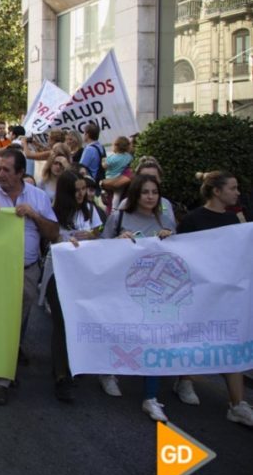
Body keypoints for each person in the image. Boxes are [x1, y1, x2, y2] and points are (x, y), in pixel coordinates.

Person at [0, 148, 59, 406]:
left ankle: (6, 363)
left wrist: (34, 214)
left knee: (17, 321)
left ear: (21, 173)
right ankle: (1, 377)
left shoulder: (38, 197)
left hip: (26, 271)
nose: (0, 174)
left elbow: (53, 232)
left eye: (6, 170)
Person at [176, 170, 253, 427]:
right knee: (194, 337)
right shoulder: (193, 220)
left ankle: (237, 404)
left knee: (232, 342)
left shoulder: (234, 220)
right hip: (199, 293)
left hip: (228, 294)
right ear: (217, 191)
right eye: (233, 188)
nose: (237, 192)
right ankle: (185, 381)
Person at [99, 174, 176, 420]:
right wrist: (117, 241)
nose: (151, 197)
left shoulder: (165, 220)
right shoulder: (119, 217)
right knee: (120, 332)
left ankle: (151, 397)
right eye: (145, 192)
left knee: (153, 338)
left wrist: (170, 239)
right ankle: (109, 372)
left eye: (154, 192)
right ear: (135, 194)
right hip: (121, 287)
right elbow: (101, 246)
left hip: (153, 291)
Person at [41, 171, 103, 402]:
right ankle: (60, 375)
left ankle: (74, 365)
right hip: (59, 274)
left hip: (83, 274)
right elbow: (51, 238)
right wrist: (67, 241)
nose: (81, 194)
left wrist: (92, 237)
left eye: (83, 189)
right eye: (76, 190)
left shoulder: (91, 210)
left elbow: (99, 234)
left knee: (76, 322)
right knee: (62, 323)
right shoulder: (53, 212)